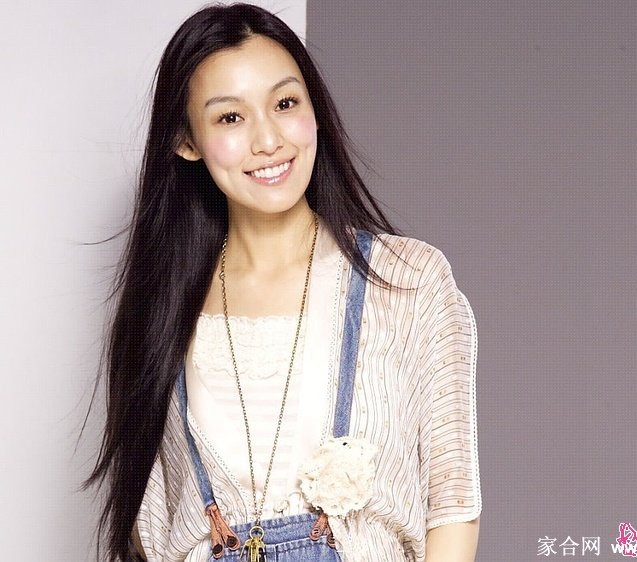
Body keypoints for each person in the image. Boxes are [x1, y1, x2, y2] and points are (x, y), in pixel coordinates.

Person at [82, 3, 481, 561]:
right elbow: (149, 528)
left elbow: (453, 506)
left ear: (314, 110)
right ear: (186, 140)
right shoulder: (164, 308)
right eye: (230, 117)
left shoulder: (408, 280)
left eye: (285, 103)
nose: (268, 140)